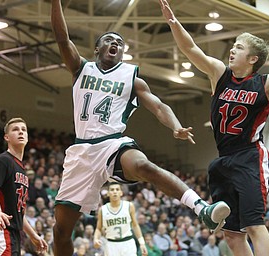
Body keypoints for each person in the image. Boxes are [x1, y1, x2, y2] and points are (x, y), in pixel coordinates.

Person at [50, 1, 230, 255]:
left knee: (145, 166)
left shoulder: (131, 78)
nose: (115, 44)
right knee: (61, 231)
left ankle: (203, 209)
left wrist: (176, 126)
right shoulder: (81, 68)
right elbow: (61, 37)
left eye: (120, 43)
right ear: (97, 48)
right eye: (109, 40)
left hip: (113, 142)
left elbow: (158, 106)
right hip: (82, 151)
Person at [158, 1, 269, 255]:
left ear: (253, 58)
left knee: (254, 225)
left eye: (239, 48)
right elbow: (191, 48)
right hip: (223, 161)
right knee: (233, 236)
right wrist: (173, 22)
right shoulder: (219, 74)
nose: (232, 50)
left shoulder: (266, 83)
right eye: (233, 45)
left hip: (250, 157)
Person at [0, 118, 48, 256]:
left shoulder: (21, 168)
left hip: (15, 233)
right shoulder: (4, 161)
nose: (20, 132)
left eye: (23, 130)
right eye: (15, 129)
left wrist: (33, 235)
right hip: (0, 230)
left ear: (27, 137)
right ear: (6, 137)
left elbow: (18, 213)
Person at [93, 182, 147, 256]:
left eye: (117, 189)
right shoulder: (102, 210)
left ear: (121, 193)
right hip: (111, 245)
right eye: (112, 190)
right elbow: (98, 229)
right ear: (108, 193)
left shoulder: (129, 206)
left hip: (128, 243)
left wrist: (142, 243)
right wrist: (96, 239)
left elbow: (135, 225)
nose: (115, 192)